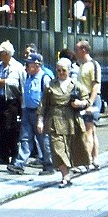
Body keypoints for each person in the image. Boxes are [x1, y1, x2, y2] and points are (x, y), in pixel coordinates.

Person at [38, 57, 88, 187]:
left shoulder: (75, 85)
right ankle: (65, 175)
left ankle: (70, 169)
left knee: (71, 148)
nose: (60, 73)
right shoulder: (50, 85)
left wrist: (80, 103)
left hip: (71, 120)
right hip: (55, 120)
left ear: (69, 70)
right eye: (58, 70)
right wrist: (40, 121)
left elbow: (86, 100)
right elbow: (43, 104)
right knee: (57, 148)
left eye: (63, 70)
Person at [8, 52, 53, 175]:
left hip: (40, 113)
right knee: (25, 138)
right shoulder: (28, 77)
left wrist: (42, 117)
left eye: (29, 64)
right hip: (28, 111)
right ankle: (19, 164)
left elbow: (48, 99)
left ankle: (49, 165)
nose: (26, 66)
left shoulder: (45, 78)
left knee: (44, 140)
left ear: (36, 65)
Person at [0, 41, 24, 164]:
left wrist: (2, 82)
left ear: (7, 53)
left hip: (11, 102)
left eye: (1, 52)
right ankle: (3, 155)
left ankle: (14, 154)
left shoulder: (16, 66)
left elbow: (14, 83)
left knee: (10, 128)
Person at [74, 40, 102, 172]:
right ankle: (95, 159)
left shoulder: (93, 65)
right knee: (92, 130)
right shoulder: (82, 65)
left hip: (91, 99)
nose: (75, 52)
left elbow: (95, 84)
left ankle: (87, 162)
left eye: (77, 49)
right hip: (85, 100)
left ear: (84, 50)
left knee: (87, 131)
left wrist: (90, 102)